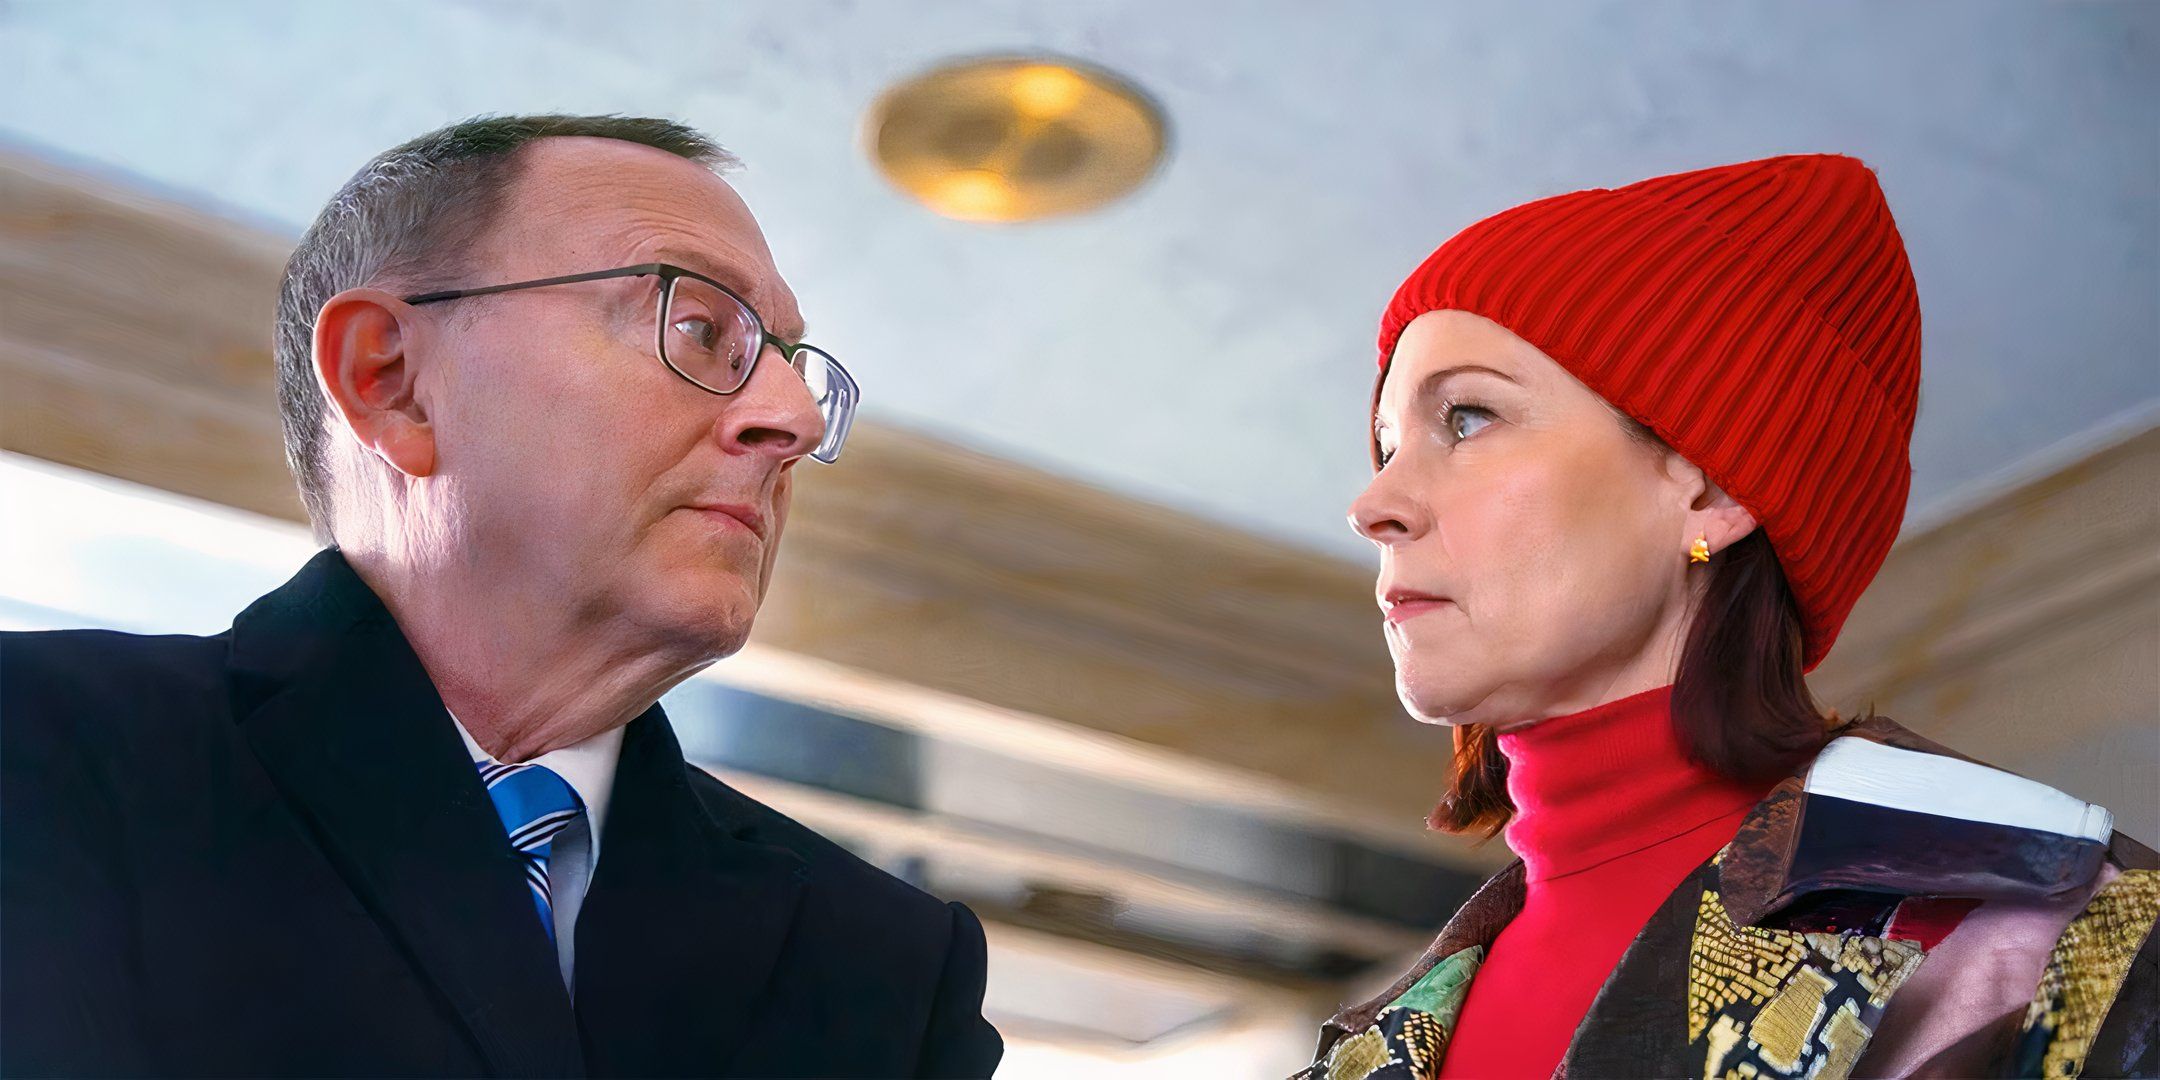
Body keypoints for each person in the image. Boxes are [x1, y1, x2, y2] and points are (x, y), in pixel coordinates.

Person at [1, 114, 1001, 1078]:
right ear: (390, 379)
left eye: (790, 366)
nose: (791, 422)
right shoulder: (38, 752)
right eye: (700, 327)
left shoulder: (886, 966)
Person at [1299, 154, 2157, 1079]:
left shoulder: (2053, 931)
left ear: (1712, 490)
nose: (1373, 504)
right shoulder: (1369, 1046)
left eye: (1468, 418)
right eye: (1387, 445)